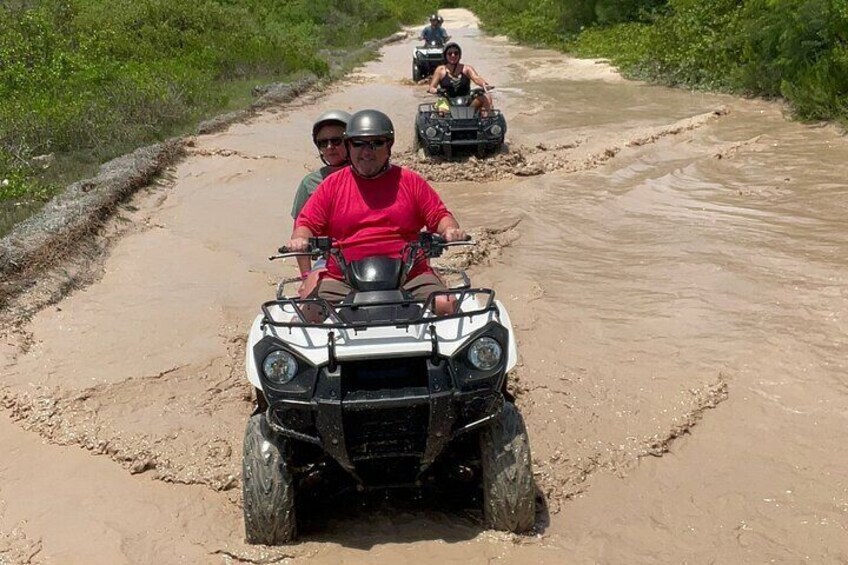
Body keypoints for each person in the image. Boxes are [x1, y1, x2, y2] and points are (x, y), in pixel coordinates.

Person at [288, 109, 466, 316]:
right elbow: (306, 224)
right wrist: (300, 239)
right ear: (349, 146)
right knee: (310, 313)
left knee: (446, 305)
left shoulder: (410, 181)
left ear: (389, 146)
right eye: (358, 144)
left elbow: (439, 216)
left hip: (409, 274)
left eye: (376, 143)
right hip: (343, 276)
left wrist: (450, 229)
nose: (367, 152)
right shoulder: (331, 186)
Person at [291, 110, 351, 296]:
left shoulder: (372, 174)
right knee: (309, 302)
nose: (330, 147)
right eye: (323, 143)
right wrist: (305, 276)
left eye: (336, 140)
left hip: (373, 254)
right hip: (330, 259)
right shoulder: (310, 184)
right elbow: (299, 232)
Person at [428, 42, 493, 116]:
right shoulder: (440, 70)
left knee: (486, 97)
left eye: (456, 53)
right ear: (445, 56)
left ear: (460, 55)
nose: (453, 55)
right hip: (447, 100)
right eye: (450, 53)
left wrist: (484, 84)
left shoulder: (467, 69)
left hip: (467, 101)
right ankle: (444, 124)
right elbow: (431, 87)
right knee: (442, 110)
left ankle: (484, 121)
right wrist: (437, 90)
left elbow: (476, 78)